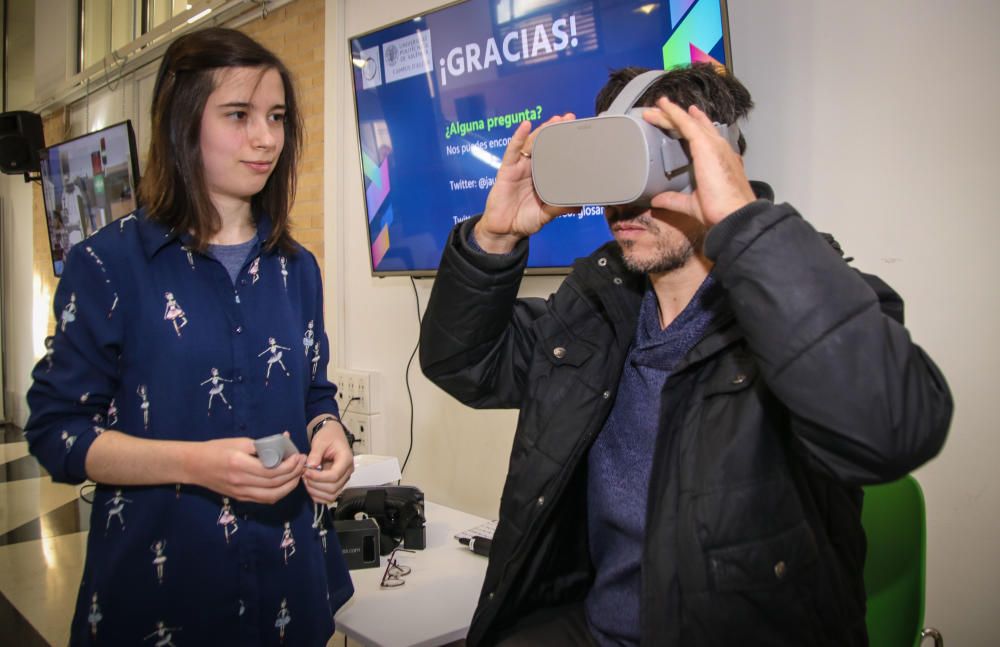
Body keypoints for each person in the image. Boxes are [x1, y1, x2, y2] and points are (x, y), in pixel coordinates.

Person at [419, 64, 953, 646]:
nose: (629, 203)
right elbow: (461, 363)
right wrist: (495, 237)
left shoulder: (803, 312)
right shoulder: (594, 315)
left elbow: (891, 432)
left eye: (656, 169)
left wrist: (746, 224)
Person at [26, 27, 354, 645]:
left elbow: (314, 392)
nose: (266, 139)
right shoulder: (108, 266)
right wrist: (192, 464)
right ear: (184, 123)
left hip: (291, 585)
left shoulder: (296, 268)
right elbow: (57, 432)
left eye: (277, 117)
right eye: (239, 115)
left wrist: (329, 431)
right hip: (163, 597)